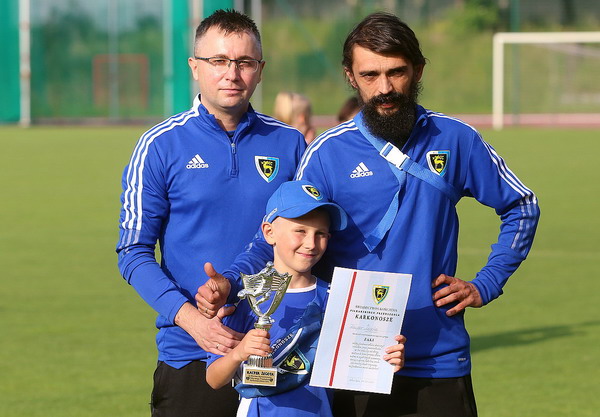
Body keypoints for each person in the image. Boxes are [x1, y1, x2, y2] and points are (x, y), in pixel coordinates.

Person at [197, 11, 540, 417]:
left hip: (438, 358)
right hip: (349, 361)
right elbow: (279, 233)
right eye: (370, 75)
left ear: (418, 70)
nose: (385, 87)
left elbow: (522, 205)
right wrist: (232, 280)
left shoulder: (456, 138)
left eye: (396, 72)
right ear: (351, 77)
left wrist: (486, 283)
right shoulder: (327, 153)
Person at [115, 9, 306, 417]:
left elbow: (305, 240)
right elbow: (132, 252)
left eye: (244, 62)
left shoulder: (291, 144)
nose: (231, 74)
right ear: (195, 67)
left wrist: (234, 281)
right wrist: (193, 321)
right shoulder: (159, 145)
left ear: (260, 70)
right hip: (192, 354)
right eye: (219, 61)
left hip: (279, 349)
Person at [204, 180, 406, 416]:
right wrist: (239, 353)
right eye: (300, 231)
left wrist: (386, 358)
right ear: (269, 232)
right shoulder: (248, 297)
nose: (311, 244)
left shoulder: (339, 298)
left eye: (320, 234)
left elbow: (358, 368)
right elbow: (213, 379)